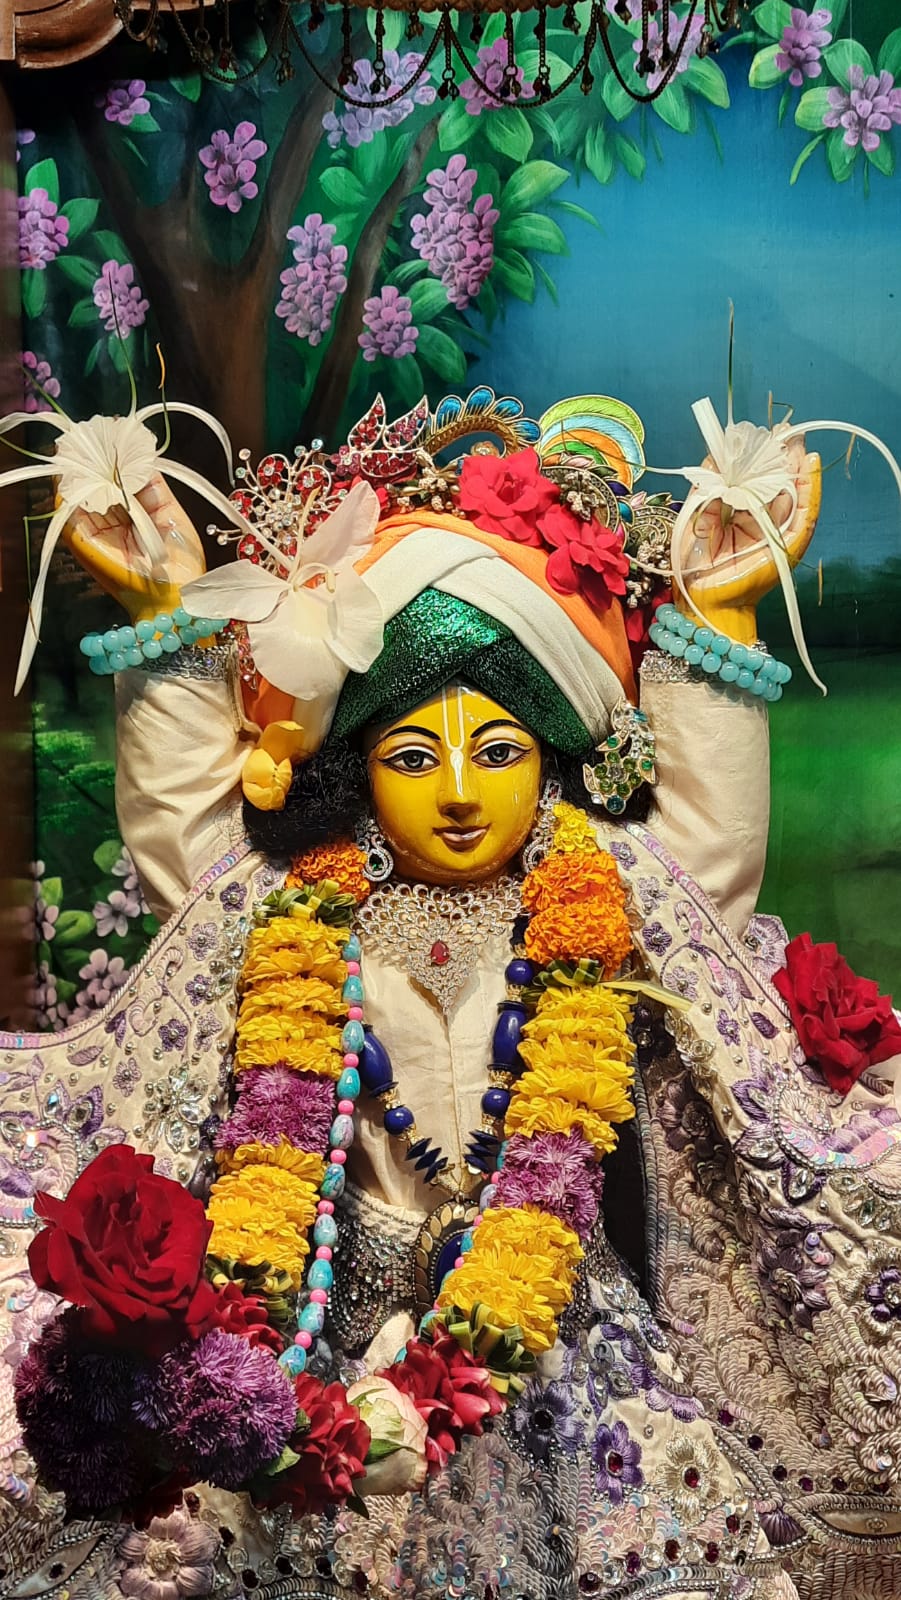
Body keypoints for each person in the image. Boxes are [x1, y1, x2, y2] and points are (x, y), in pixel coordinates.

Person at [1, 390, 899, 1600]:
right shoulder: (291, 901)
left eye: (501, 750)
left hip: (562, 1354)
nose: (462, 791)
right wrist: (163, 617)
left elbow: (713, 853)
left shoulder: (603, 891)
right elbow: (183, 835)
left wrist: (717, 616)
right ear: (356, 766)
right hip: (319, 1327)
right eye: (415, 756)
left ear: (555, 760)